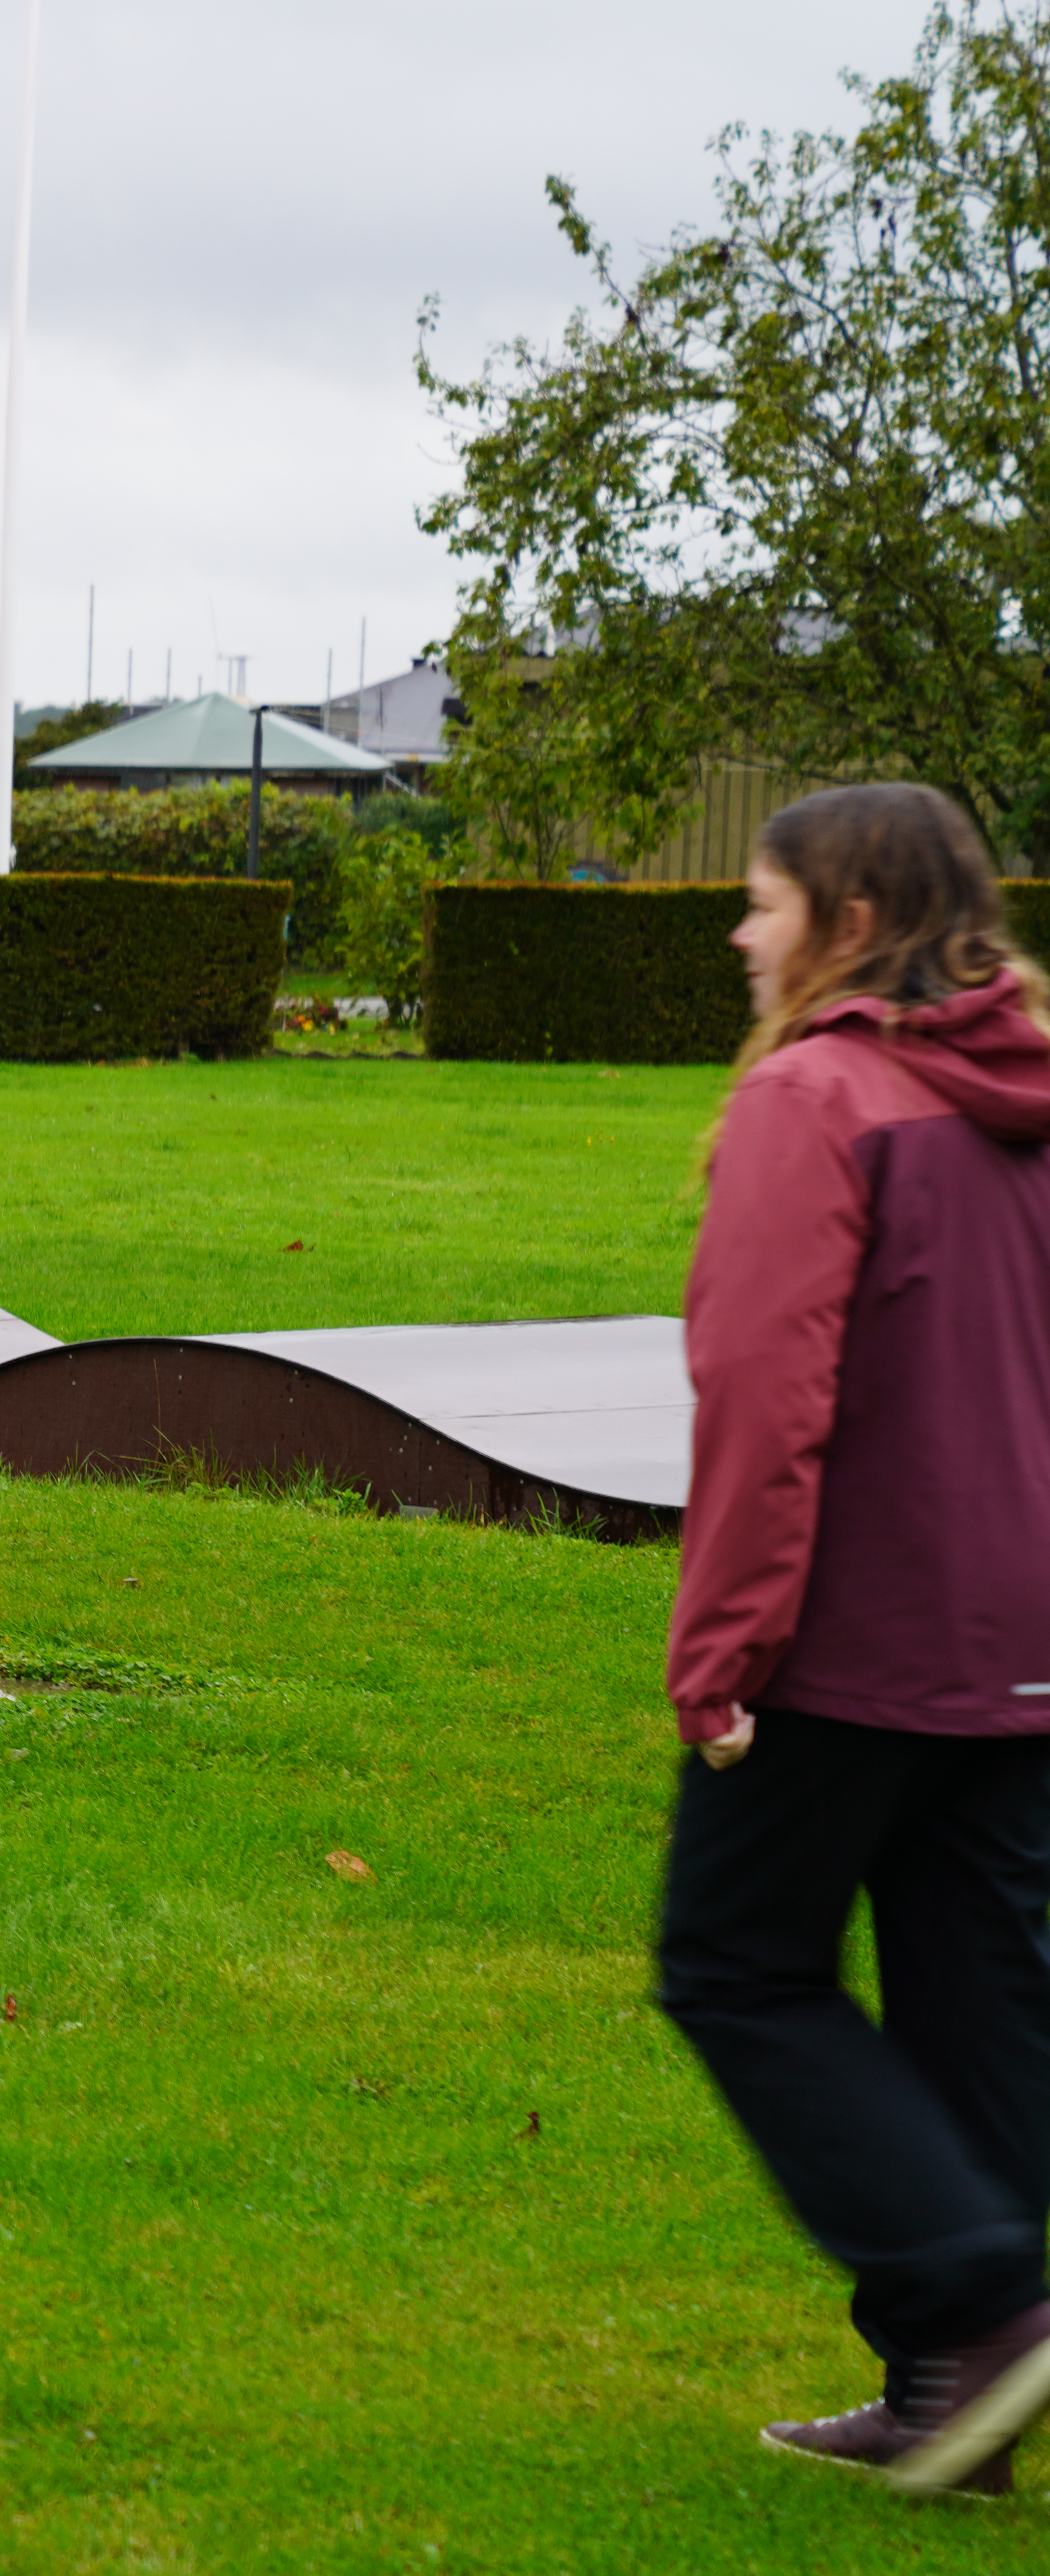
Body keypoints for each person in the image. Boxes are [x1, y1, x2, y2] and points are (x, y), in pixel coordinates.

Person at [651, 782, 1050, 2497]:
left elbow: (764, 1397)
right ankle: (957, 2389)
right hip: (1020, 1648)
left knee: (736, 1963)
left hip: (850, 1637)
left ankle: (981, 2310)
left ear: (854, 925)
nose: (742, 934)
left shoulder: (819, 1100)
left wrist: (721, 1654)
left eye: (762, 901)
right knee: (979, 2010)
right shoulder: (1030, 1100)